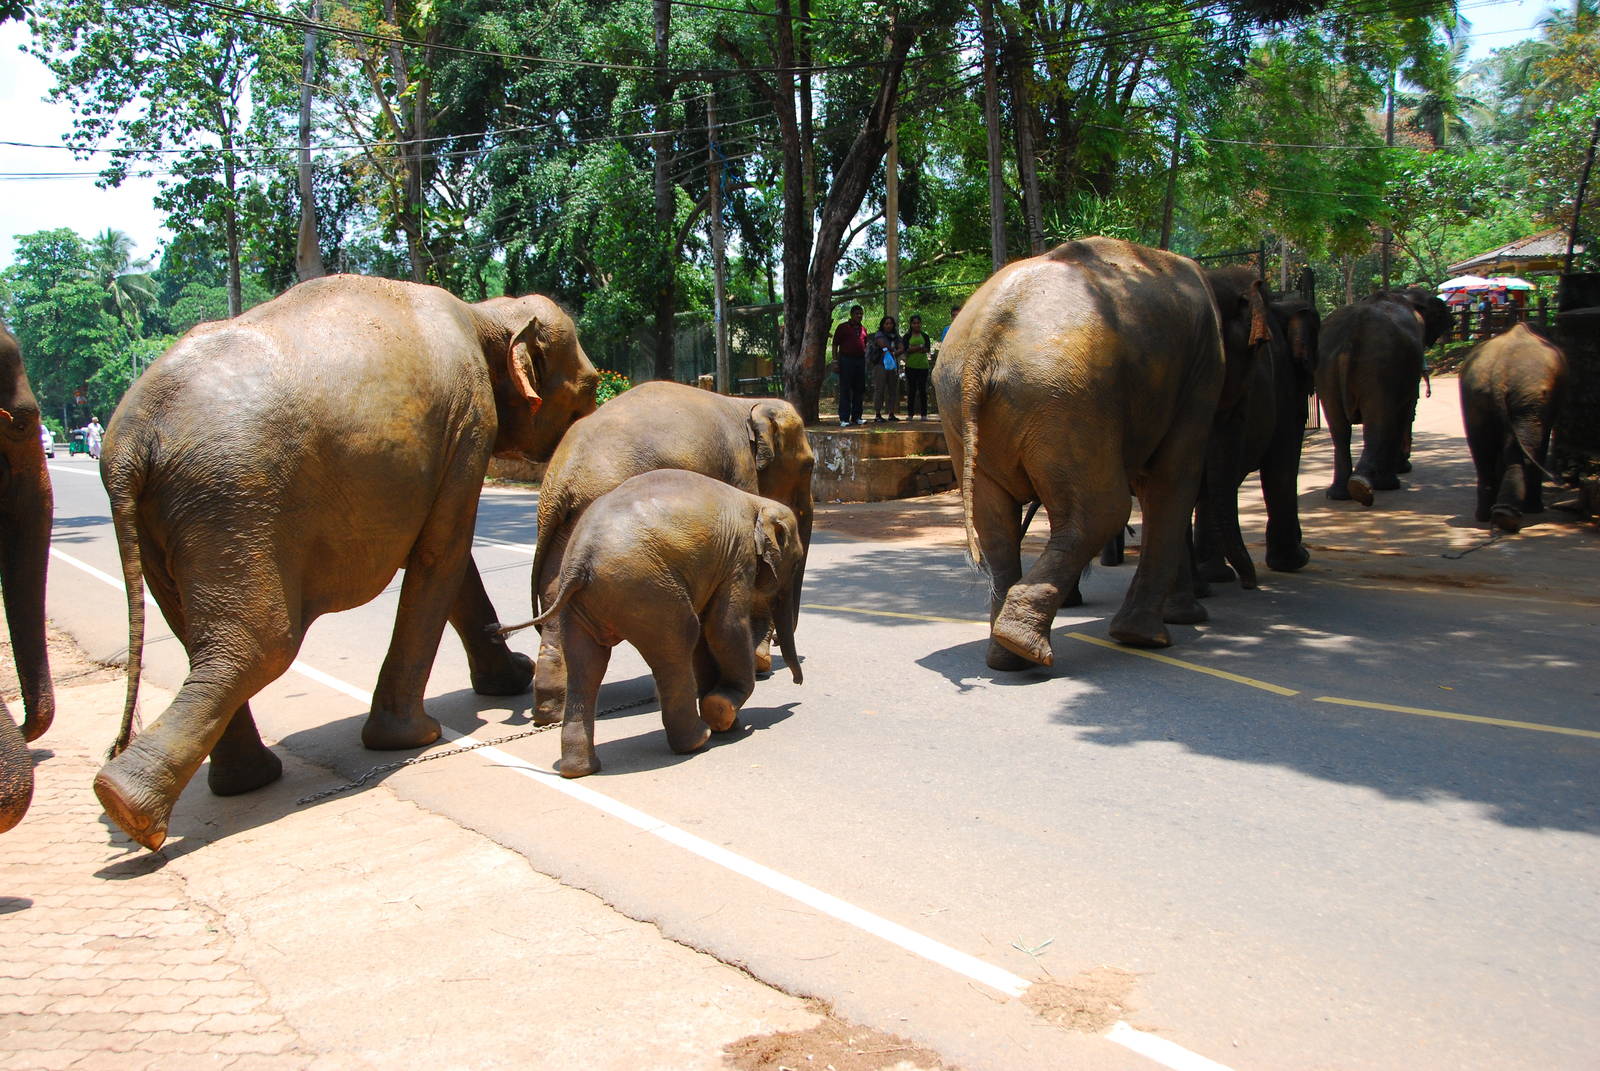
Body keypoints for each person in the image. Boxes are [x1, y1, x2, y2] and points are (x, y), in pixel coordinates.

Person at [831, 305, 868, 426]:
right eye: (857, 313)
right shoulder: (843, 327)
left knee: (859, 389)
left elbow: (865, 344)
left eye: (861, 314)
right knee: (845, 389)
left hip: (860, 361)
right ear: (851, 315)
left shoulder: (863, 329)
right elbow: (835, 344)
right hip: (846, 360)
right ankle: (844, 418)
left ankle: (857, 416)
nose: (859, 316)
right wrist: (835, 361)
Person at [868, 315, 903, 422]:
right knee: (880, 389)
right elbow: (883, 345)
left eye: (891, 323)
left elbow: (901, 347)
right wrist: (893, 350)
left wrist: (893, 352)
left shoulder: (896, 336)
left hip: (892, 366)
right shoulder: (879, 335)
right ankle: (878, 414)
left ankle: (891, 413)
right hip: (880, 365)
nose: (889, 325)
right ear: (883, 325)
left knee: (892, 390)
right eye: (886, 323)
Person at [902, 314, 933, 420]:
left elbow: (927, 349)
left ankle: (924, 414)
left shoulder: (925, 336)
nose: (916, 325)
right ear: (911, 324)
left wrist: (914, 348)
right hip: (911, 366)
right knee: (912, 390)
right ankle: (910, 414)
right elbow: (906, 349)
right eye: (914, 323)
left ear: (921, 324)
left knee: (922, 390)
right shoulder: (907, 336)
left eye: (918, 323)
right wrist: (919, 347)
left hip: (923, 366)